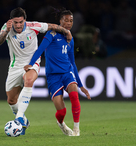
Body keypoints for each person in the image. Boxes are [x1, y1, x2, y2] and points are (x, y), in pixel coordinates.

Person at [0, 7, 72, 135]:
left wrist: (66, 32)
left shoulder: (33, 26)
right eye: (16, 22)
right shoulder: (7, 27)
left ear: (25, 20)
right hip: (15, 66)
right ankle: (23, 120)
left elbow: (52, 26)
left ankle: (19, 117)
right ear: (11, 21)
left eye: (21, 22)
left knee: (29, 80)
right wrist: (5, 32)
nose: (18, 25)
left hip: (32, 63)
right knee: (11, 100)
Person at [24, 8, 91, 136]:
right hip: (53, 76)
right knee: (61, 112)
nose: (69, 23)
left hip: (67, 72)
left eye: (71, 21)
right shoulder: (51, 34)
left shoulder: (70, 39)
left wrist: (81, 85)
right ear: (60, 21)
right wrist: (31, 64)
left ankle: (77, 129)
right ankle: (61, 123)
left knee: (74, 96)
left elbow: (72, 63)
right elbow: (40, 50)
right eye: (66, 21)